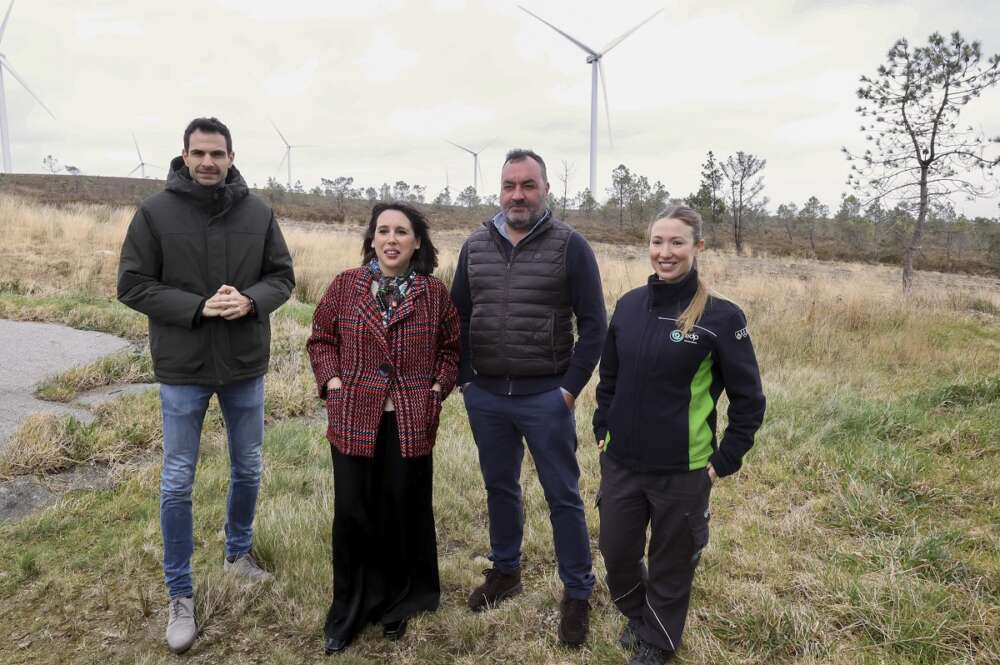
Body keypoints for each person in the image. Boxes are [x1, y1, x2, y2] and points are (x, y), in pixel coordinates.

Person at [117, 116, 295, 655]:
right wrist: (197, 308)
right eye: (199, 153)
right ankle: (180, 594)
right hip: (182, 367)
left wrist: (252, 300)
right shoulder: (154, 213)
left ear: (232, 156)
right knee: (177, 481)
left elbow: (282, 276)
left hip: (244, 364)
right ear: (184, 154)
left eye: (217, 153)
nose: (208, 162)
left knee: (249, 466)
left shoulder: (258, 212)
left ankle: (237, 556)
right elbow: (132, 284)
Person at [592, 204, 766, 664]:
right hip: (622, 462)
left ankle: (659, 640)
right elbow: (609, 375)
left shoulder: (722, 318)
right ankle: (636, 611)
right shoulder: (629, 306)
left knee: (671, 564)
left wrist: (724, 459)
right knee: (617, 551)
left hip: (684, 471)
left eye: (676, 243)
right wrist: (601, 428)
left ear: (697, 247)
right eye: (657, 242)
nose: (665, 252)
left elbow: (749, 400)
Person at [450, 149, 607, 646]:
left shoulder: (570, 246)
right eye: (509, 185)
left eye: (528, 185)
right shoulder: (474, 245)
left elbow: (595, 325)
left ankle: (578, 591)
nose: (518, 195)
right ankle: (505, 572)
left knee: (563, 495)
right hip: (488, 396)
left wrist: (568, 388)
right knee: (500, 489)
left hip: (546, 395)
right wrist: (466, 379)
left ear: (544, 190)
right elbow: (457, 319)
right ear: (500, 191)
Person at [306, 201, 460, 655]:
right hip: (354, 413)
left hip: (411, 417)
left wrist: (435, 390)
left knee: (403, 508)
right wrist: (333, 383)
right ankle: (350, 609)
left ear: (417, 243)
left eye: (402, 231)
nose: (392, 239)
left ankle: (400, 601)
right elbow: (321, 338)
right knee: (354, 512)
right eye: (383, 230)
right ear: (371, 239)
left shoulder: (434, 294)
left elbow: (452, 350)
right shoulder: (346, 286)